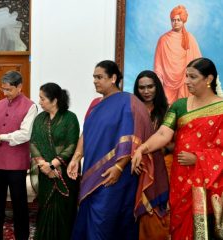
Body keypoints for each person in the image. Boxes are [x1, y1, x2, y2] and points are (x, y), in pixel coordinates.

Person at [66, 60, 169, 240]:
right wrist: (76, 158)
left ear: (113, 78)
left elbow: (131, 139)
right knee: (88, 214)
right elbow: (86, 132)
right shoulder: (95, 104)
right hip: (92, 172)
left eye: (99, 77)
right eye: (94, 77)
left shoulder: (129, 102)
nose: (95, 81)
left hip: (117, 175)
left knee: (106, 219)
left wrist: (119, 167)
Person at [132, 57, 223, 239]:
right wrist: (142, 149)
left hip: (211, 180)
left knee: (206, 229)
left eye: (193, 77)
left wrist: (199, 159)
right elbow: (163, 134)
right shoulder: (179, 105)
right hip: (181, 178)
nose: (187, 81)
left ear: (209, 79)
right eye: (186, 76)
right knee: (181, 226)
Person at [0, 71, 38, 240]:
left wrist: (0, 137)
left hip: (17, 164)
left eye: (9, 89)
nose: (5, 93)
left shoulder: (30, 106)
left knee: (19, 204)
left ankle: (22, 237)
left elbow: (25, 134)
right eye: (3, 89)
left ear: (20, 87)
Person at [30, 83, 80, 240]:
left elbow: (72, 145)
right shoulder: (40, 119)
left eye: (42, 98)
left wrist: (53, 165)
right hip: (45, 173)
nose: (40, 101)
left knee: (63, 210)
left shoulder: (70, 118)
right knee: (46, 208)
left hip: (65, 172)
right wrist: (44, 165)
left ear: (55, 100)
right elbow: (33, 143)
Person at [133, 70, 171, 240]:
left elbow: (174, 142)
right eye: (142, 88)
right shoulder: (131, 110)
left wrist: (154, 149)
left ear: (157, 88)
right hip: (134, 167)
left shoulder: (167, 111)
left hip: (161, 169)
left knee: (156, 216)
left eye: (150, 87)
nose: (146, 91)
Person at [154, 5, 202, 104]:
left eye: (178, 20)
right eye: (173, 20)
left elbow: (198, 63)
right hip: (167, 83)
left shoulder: (190, 38)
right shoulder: (163, 39)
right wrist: (158, 79)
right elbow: (158, 64)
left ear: (183, 21)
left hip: (185, 81)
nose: (175, 22)